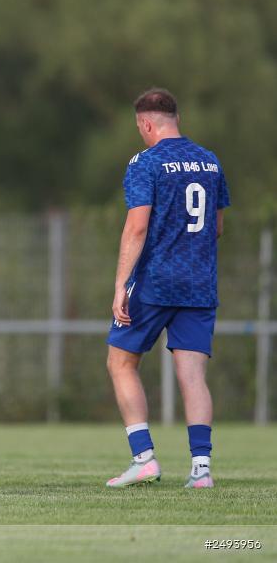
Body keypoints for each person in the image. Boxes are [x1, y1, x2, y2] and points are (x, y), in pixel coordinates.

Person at [105, 88, 230, 489]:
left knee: (121, 362)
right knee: (192, 376)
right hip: (199, 283)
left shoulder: (146, 162)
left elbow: (137, 226)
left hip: (157, 281)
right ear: (176, 117)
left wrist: (122, 283)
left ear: (146, 123)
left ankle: (144, 459)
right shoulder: (210, 161)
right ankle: (201, 470)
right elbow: (217, 227)